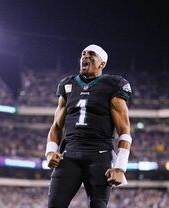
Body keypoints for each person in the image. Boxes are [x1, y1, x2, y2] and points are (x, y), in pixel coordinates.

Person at [45, 44, 132, 208]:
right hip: (70, 153)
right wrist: (50, 151)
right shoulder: (68, 85)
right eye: (83, 54)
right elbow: (56, 125)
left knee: (98, 205)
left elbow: (124, 131)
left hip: (99, 155)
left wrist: (120, 167)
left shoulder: (113, 85)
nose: (85, 57)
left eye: (91, 55)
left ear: (102, 63)